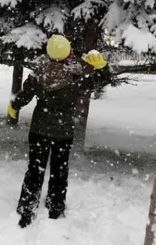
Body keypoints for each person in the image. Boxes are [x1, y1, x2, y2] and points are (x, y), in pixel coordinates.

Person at [7, 34, 110, 228]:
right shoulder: (76, 76)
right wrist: (102, 67)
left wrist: (13, 107)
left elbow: (24, 96)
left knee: (34, 171)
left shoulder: (39, 73)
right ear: (68, 52)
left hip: (39, 130)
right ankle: (55, 207)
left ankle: (27, 208)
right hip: (63, 133)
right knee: (59, 171)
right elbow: (101, 81)